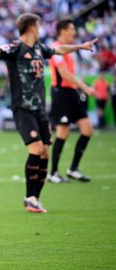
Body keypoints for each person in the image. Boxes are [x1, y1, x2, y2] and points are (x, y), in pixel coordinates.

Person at [0, 13, 97, 213]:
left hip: (40, 110)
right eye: (38, 26)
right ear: (31, 28)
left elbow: (60, 49)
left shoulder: (40, 48)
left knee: (45, 151)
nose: (40, 30)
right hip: (22, 109)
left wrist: (80, 46)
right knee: (36, 149)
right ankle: (30, 197)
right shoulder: (15, 48)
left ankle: (35, 198)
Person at [47, 19, 97, 184]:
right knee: (63, 133)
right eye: (71, 30)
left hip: (72, 93)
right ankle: (53, 172)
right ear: (62, 31)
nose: (74, 33)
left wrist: (79, 86)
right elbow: (65, 74)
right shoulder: (55, 48)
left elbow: (71, 74)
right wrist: (85, 87)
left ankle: (73, 169)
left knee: (87, 130)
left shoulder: (71, 50)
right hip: (61, 94)